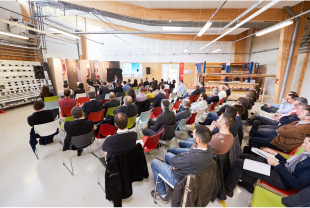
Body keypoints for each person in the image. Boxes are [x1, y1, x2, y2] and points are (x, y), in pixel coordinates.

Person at [225, 136, 310, 196]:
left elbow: (297, 184)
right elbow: (289, 164)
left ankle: (228, 189)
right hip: (283, 173)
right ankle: (248, 183)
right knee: (262, 158)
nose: (303, 145)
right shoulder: (305, 155)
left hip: (282, 181)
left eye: (305, 143)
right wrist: (276, 154)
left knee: (238, 163)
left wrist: (276, 165)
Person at [150, 125, 214, 203]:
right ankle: (168, 180)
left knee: (154, 162)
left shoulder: (191, 157)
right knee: (167, 155)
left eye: (193, 134)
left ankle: (162, 196)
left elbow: (173, 161)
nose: (192, 135)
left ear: (198, 139)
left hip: (179, 179)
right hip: (191, 172)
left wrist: (181, 159)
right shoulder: (209, 150)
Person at [168, 113, 234, 155]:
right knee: (183, 142)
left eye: (219, 119)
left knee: (170, 149)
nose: (217, 120)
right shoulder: (231, 136)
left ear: (223, 122)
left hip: (196, 153)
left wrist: (188, 153)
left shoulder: (216, 140)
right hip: (204, 151)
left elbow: (197, 146)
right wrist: (210, 130)